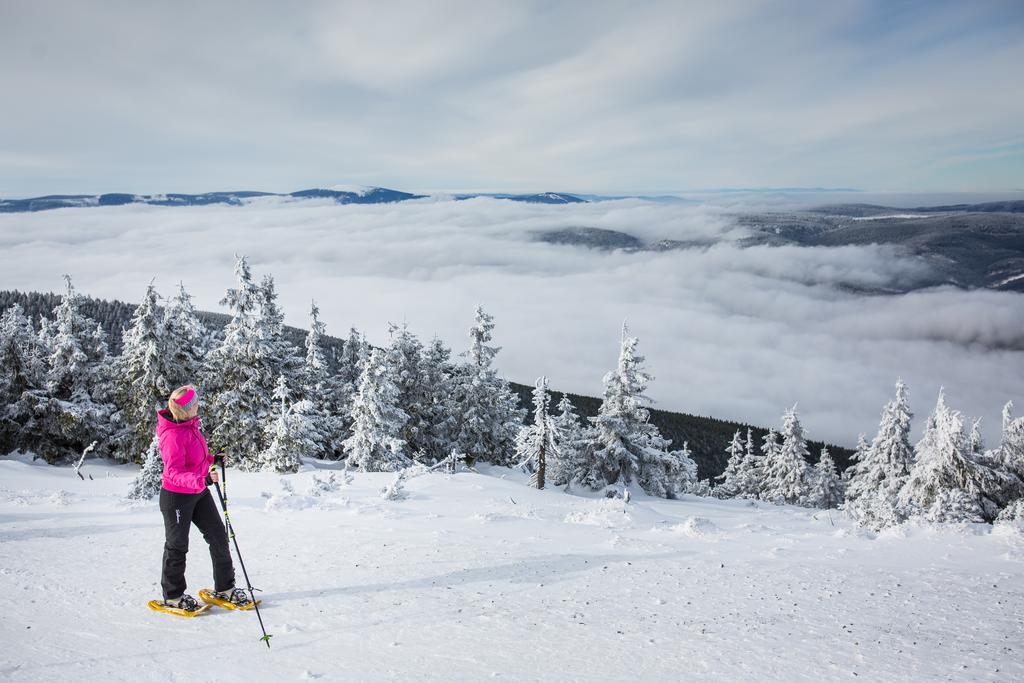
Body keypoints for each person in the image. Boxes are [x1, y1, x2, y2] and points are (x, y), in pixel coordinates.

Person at [155, 384, 249, 612]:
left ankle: (225, 588)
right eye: (195, 402)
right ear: (187, 408)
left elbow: (194, 459)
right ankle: (173, 596)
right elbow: (173, 472)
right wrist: (202, 480)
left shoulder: (190, 426)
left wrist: (211, 459)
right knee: (177, 546)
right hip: (176, 497)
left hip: (198, 493)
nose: (199, 404)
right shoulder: (173, 436)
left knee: (218, 536)